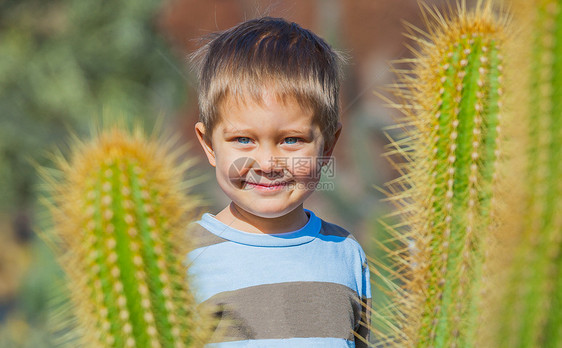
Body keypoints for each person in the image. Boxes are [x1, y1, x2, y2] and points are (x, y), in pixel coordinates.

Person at [187, 16, 371, 348]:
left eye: (291, 140)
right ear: (209, 145)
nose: (269, 164)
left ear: (328, 145)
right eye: (243, 139)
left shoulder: (347, 254)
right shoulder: (181, 259)